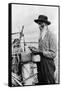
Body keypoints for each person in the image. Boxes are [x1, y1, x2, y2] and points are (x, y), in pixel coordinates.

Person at [31, 15, 57, 84]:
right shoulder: (41, 37)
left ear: (46, 24)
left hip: (48, 64)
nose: (39, 27)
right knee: (41, 82)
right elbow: (41, 50)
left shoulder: (51, 35)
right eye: (38, 24)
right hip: (40, 63)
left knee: (49, 82)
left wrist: (40, 51)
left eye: (41, 25)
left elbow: (53, 54)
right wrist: (35, 50)